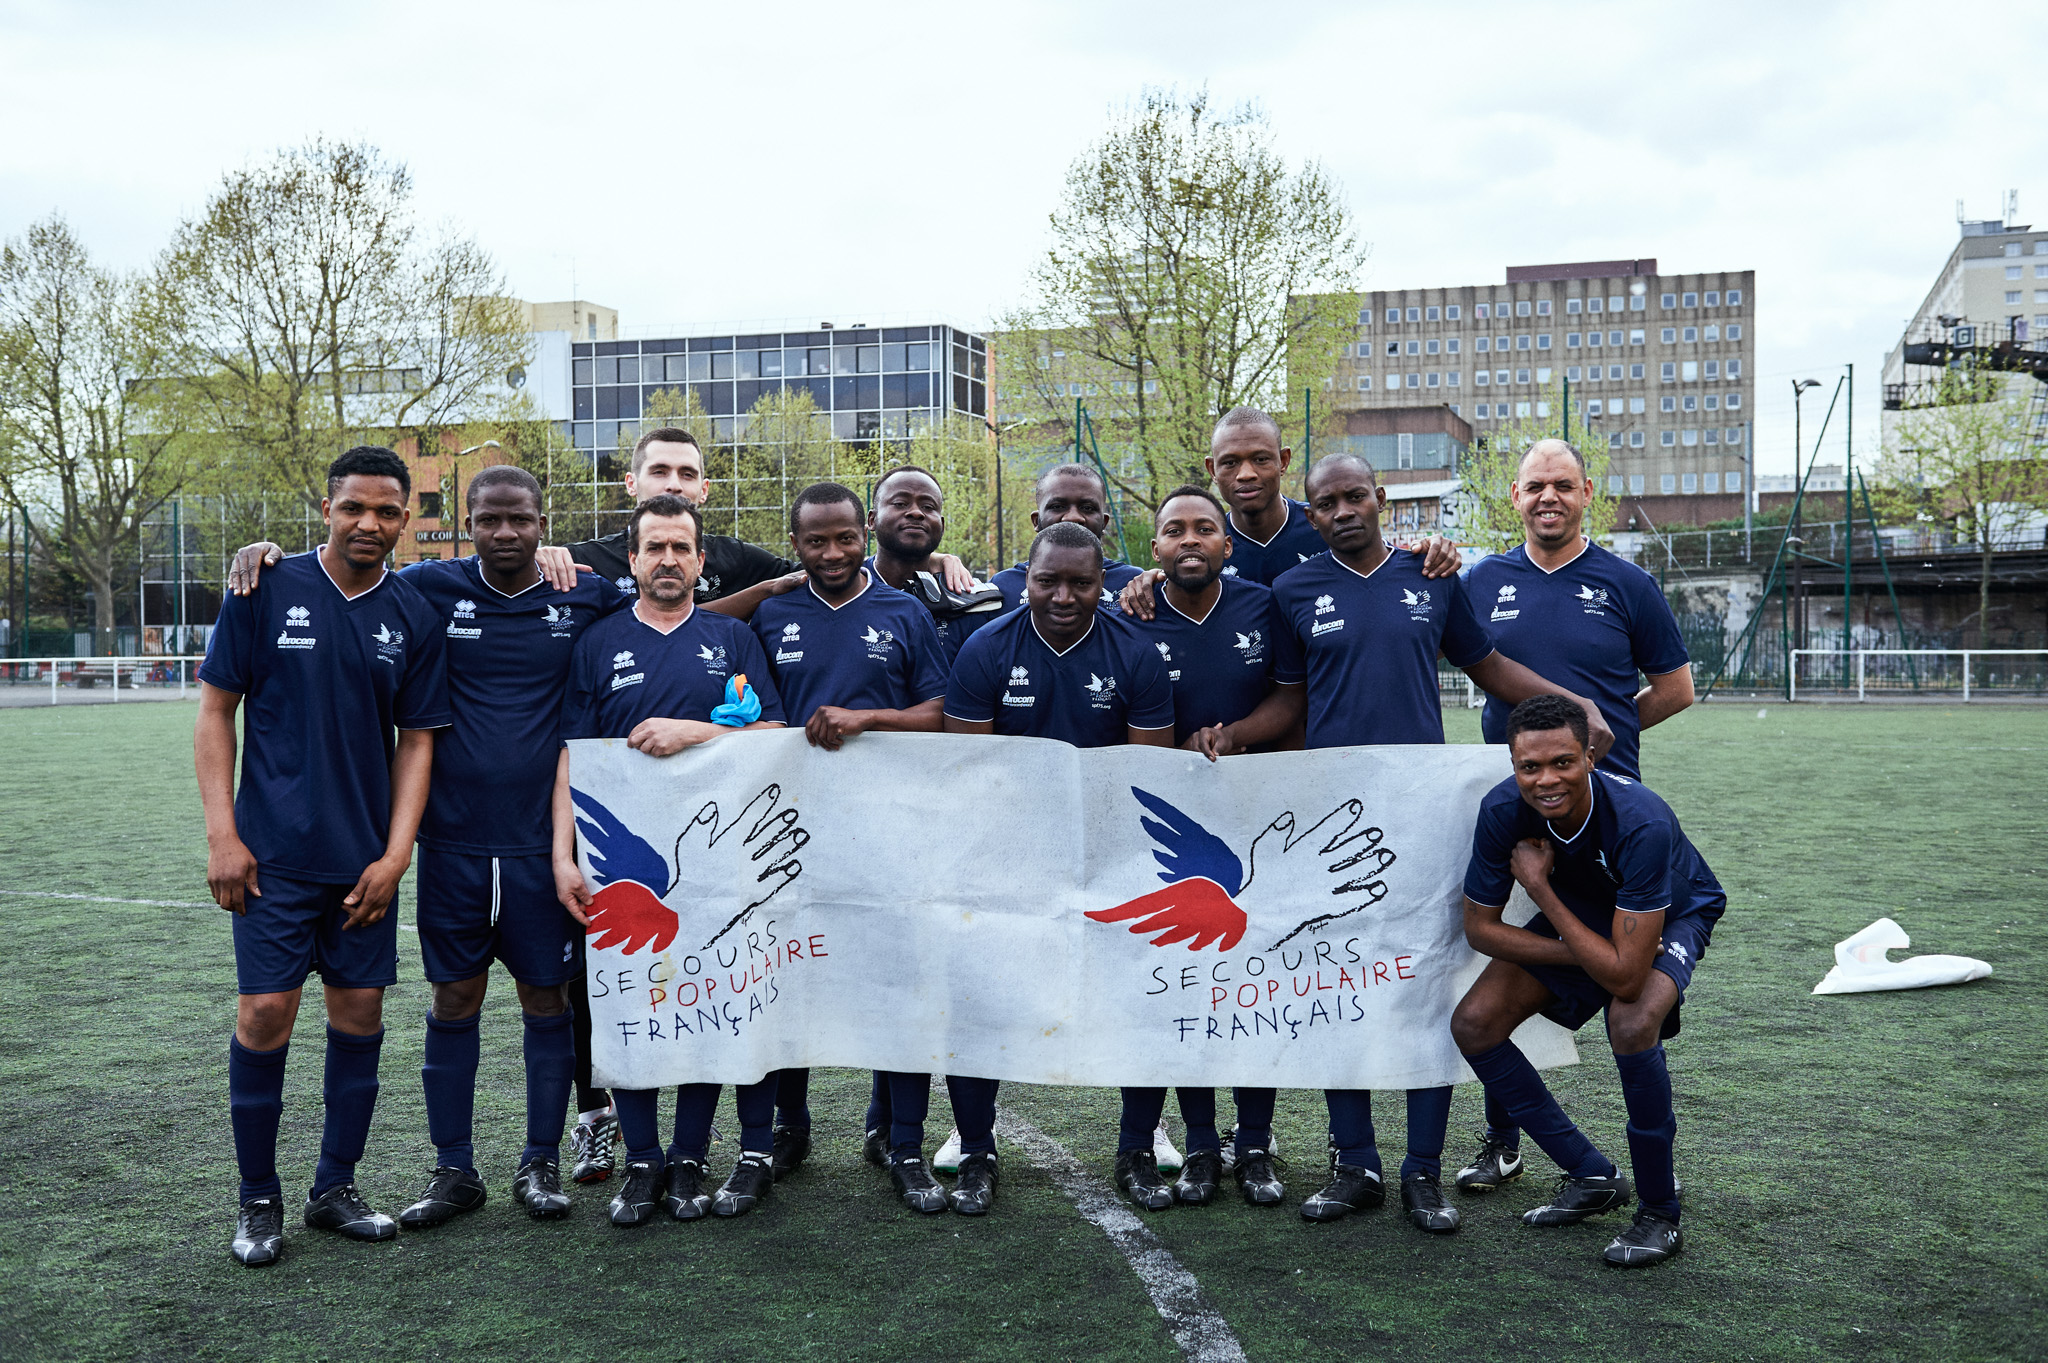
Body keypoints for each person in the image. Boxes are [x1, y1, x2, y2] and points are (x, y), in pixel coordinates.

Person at [219, 469, 632, 1220]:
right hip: (450, 843)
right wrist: (261, 551)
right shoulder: (429, 590)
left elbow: (675, 610)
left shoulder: (585, 591)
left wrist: (772, 595)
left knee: (546, 997)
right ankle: (453, 1170)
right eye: (489, 519)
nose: (505, 533)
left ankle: (537, 1163)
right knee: (453, 995)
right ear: (463, 521)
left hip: (544, 845)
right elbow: (345, 571)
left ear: (544, 522)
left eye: (523, 520)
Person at [1267, 452, 1613, 1235]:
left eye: (1356, 495)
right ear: (1312, 514)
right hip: (1335, 827)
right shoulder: (1293, 589)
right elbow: (1288, 700)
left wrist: (1572, 704)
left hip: (1423, 818)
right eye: (1326, 502)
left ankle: (1423, 1170)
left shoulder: (1432, 574)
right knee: (1336, 986)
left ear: (1381, 499)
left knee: (1429, 984)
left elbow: (1485, 663)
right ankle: (1354, 1161)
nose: (1344, 509)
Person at [194, 447, 451, 1267]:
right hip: (269, 860)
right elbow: (214, 713)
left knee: (359, 1016)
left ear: (407, 521)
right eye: (354, 509)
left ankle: (334, 1186)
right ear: (327, 508)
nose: (369, 525)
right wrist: (223, 835)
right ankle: (258, 1199)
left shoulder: (411, 612)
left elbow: (417, 743)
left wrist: (396, 854)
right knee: (264, 1014)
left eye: (386, 512)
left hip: (362, 866)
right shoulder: (262, 586)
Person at [1453, 438, 1695, 1197]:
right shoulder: (1479, 581)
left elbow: (1676, 688)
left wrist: (1587, 752)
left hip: (1609, 824)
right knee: (1496, 973)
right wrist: (1542, 774)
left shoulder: (1627, 583)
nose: (1548, 497)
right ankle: (1502, 1141)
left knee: (1624, 1005)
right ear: (1515, 499)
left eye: (1563, 484)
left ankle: (1650, 1188)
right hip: (1520, 815)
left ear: (1589, 491)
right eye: (1534, 486)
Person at [551, 494, 788, 1227]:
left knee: (712, 1004)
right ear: (633, 559)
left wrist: (692, 731)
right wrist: (562, 854)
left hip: (722, 860)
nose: (668, 560)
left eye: (681, 548)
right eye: (654, 547)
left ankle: (689, 1157)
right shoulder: (598, 642)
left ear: (700, 561)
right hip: (627, 866)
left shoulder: (731, 638)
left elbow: (775, 731)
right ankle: (643, 1161)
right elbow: (573, 756)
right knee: (635, 1006)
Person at [946, 521, 1178, 1214]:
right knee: (981, 1001)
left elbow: (1146, 778)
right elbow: (972, 773)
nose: (1064, 596)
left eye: (1081, 582)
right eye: (1049, 580)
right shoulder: (985, 648)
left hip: (1110, 857)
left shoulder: (1135, 653)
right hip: (1008, 858)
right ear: (1028, 577)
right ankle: (978, 1148)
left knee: (1142, 999)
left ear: (1103, 582)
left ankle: (1136, 1147)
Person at [1451, 694, 1725, 1268]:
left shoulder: (1641, 820)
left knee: (1630, 1020)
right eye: (1530, 767)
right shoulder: (1502, 811)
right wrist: (1591, 954)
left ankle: (1659, 1213)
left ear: (1591, 757)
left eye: (1563, 763)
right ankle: (1591, 1173)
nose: (1546, 780)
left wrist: (1541, 888)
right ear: (1513, 764)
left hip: (1674, 910)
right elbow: (1480, 928)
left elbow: (1626, 979)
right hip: (1589, 920)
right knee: (1476, 1023)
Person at [749, 481, 954, 1211]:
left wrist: (868, 718)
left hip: (890, 831)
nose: (831, 553)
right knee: (787, 981)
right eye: (815, 541)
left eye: (844, 538)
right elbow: (751, 719)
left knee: (895, 983)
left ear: (865, 531)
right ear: (795, 542)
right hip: (788, 836)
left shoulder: (903, 611)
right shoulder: (772, 613)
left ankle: (902, 1143)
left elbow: (942, 712)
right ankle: (787, 1128)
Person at [1116, 486, 1305, 1209]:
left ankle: (1252, 1142)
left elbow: (1293, 698)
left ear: (1228, 544)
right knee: (1181, 988)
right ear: (1154, 548)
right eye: (1173, 530)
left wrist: (1235, 736)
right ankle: (1198, 1143)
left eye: (1205, 528)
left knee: (1252, 988)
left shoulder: (1264, 605)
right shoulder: (1128, 613)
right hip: (1164, 833)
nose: (1190, 539)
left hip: (1254, 821)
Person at [1114, 407, 1465, 619]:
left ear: (1283, 461)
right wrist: (1151, 579)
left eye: (1261, 459)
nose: (1247, 473)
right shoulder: (1204, 545)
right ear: (1211, 468)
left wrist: (1432, 548)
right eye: (1231, 463)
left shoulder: (1325, 527)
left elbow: (1383, 567)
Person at [863, 464, 1003, 665]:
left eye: (928, 507)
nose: (916, 513)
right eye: (900, 503)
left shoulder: (973, 607)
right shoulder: (845, 589)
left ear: (942, 526)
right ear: (872, 519)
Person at [987, 464, 1145, 611]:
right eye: (1057, 507)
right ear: (1036, 521)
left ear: (1104, 523)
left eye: (1087, 508)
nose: (1073, 517)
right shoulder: (1002, 587)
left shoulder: (1137, 583)